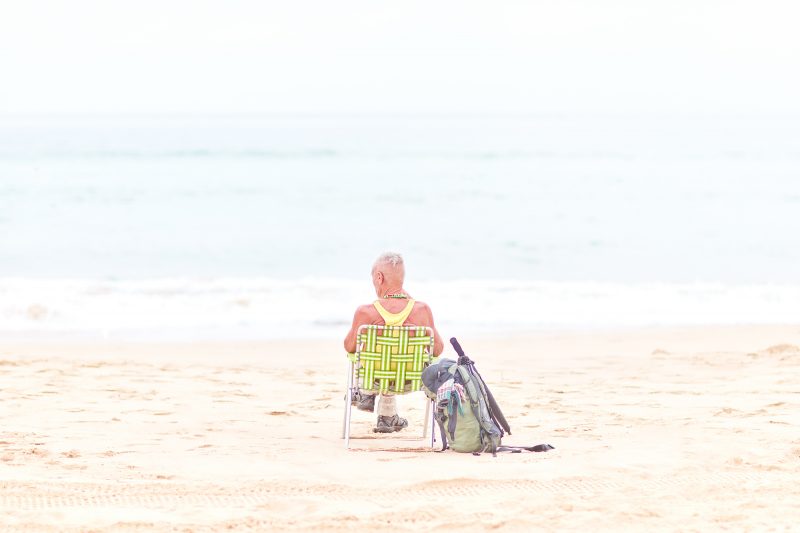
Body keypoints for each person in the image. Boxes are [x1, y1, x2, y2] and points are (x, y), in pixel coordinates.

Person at [344, 252, 444, 433]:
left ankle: (365, 393)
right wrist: (410, 301)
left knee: (369, 359)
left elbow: (349, 347)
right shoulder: (422, 310)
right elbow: (437, 350)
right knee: (394, 361)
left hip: (372, 379)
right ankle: (387, 415)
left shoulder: (365, 312)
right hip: (409, 380)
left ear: (379, 277)